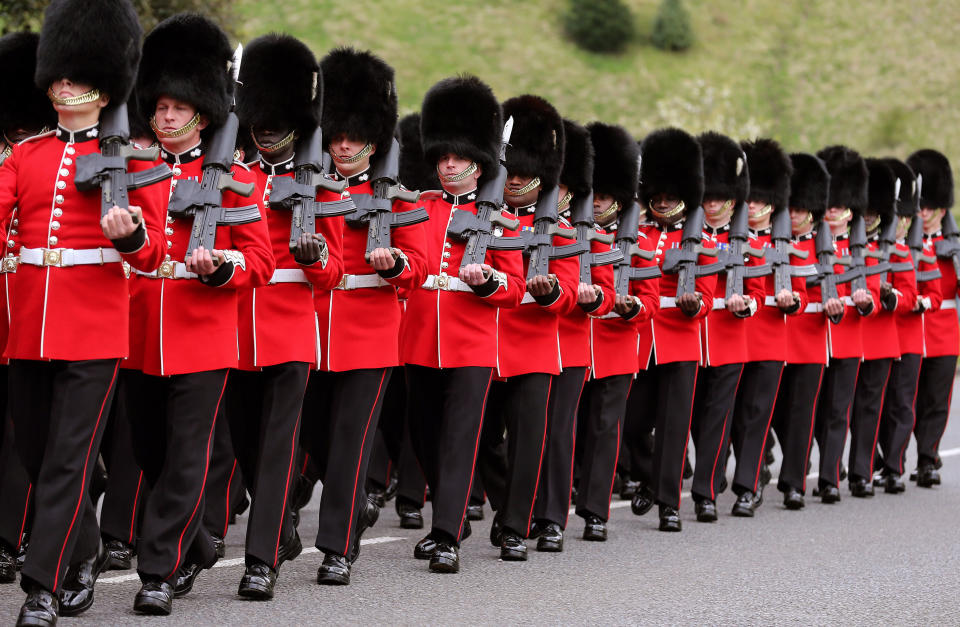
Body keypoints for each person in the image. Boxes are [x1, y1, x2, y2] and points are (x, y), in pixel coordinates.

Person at [1, 1, 167, 624]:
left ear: (104, 87)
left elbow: (152, 253)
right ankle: (83, 553)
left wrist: (126, 238)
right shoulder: (29, 155)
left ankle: (39, 587)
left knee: (67, 461)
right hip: (31, 328)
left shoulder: (138, 159)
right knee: (42, 458)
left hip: (94, 329)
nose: (61, 85)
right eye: (57, 75)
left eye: (74, 75)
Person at [124, 13, 275, 615]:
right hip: (140, 331)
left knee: (187, 457)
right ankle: (199, 539)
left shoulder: (238, 181)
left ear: (203, 114)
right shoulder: (132, 172)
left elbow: (259, 261)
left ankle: (157, 571)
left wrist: (221, 269)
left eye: (177, 107)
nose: (164, 117)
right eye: (158, 107)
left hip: (205, 333)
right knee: (151, 452)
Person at [229, 33, 346, 599]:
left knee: (277, 444)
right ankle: (280, 524)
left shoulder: (320, 182)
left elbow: (335, 272)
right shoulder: (232, 172)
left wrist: (316, 255)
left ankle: (261, 560)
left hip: (292, 325)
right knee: (244, 445)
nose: (268, 129)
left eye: (278, 120)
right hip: (235, 325)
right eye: (262, 118)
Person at [306, 47, 427, 586]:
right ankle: (336, 509)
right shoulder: (310, 189)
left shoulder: (398, 199)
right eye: (336, 136)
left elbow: (419, 263)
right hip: (314, 328)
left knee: (352, 440)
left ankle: (337, 548)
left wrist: (396, 263)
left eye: (353, 137)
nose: (343, 145)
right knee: (313, 439)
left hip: (371, 329)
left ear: (373, 141)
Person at [401, 75, 524, 573]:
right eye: (444, 156)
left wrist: (489, 278)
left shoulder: (501, 221)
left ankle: (446, 533)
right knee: (424, 434)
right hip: (419, 339)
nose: (449, 164)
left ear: (479, 161)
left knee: (459, 437)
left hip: (471, 339)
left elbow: (513, 289)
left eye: (459, 157)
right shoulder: (420, 208)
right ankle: (452, 517)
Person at [481, 95, 579, 562]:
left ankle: (517, 526)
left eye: (525, 173)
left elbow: (571, 290)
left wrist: (548, 293)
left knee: (527, 441)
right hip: (485, 340)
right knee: (480, 439)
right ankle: (506, 507)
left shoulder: (559, 230)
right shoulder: (483, 220)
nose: (515, 180)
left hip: (536, 343)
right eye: (510, 172)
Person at [627, 128, 716, 532]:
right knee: (630, 422)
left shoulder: (701, 241)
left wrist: (694, 305)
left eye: (669, 197)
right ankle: (650, 475)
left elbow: (708, 296)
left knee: (674, 425)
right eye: (656, 197)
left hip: (681, 337)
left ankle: (668, 503)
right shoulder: (638, 235)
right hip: (643, 337)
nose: (662, 204)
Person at [0, 30, 57, 586]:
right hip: (11, 307)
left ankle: (13, 537)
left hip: (38, 306)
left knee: (27, 436)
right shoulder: (16, 156)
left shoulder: (45, 158)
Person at [728, 138, 803, 516]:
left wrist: (792, 299)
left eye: (759, 200)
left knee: (758, 413)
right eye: (749, 199)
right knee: (736, 416)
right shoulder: (729, 238)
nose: (753, 205)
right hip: (735, 335)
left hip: (772, 335)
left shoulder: (785, 240)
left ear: (772, 203)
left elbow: (803, 286)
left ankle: (748, 485)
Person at [689, 131, 756, 522]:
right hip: (693, 334)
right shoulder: (688, 235)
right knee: (695, 417)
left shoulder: (747, 240)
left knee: (717, 416)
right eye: (708, 197)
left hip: (730, 336)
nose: (713, 205)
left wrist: (747, 302)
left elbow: (760, 289)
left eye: (720, 199)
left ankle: (706, 491)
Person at [847, 159, 916, 497]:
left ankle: (860, 473)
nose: (870, 216)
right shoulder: (842, 246)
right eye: (866, 209)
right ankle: (852, 460)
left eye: (875, 210)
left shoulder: (897, 250)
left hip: (880, 337)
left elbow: (911, 296)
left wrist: (890, 295)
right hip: (846, 334)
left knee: (870, 407)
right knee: (841, 408)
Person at [813, 145, 877, 503]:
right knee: (810, 411)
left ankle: (829, 478)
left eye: (840, 204)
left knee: (839, 410)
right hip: (812, 337)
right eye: (830, 204)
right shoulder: (808, 242)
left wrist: (865, 302)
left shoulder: (860, 246)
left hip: (848, 335)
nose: (834, 210)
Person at [770, 153, 830, 509]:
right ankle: (789, 456)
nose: (792, 214)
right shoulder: (771, 243)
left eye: (799, 209)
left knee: (802, 412)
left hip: (808, 337)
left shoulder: (823, 245)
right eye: (789, 207)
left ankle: (793, 483)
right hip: (776, 336)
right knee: (775, 410)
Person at [875, 158, 938, 492]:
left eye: (905, 218)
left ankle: (893, 466)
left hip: (909, 337)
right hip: (879, 336)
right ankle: (874, 461)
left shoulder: (908, 250)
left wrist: (895, 297)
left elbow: (917, 294)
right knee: (876, 404)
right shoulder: (874, 248)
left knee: (901, 403)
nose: (901, 223)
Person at [907, 148, 957, 487]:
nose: (922, 213)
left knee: (936, 402)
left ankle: (928, 457)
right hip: (908, 330)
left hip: (943, 332)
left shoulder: (954, 245)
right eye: (918, 207)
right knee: (906, 401)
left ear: (941, 209)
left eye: (928, 208)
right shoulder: (902, 242)